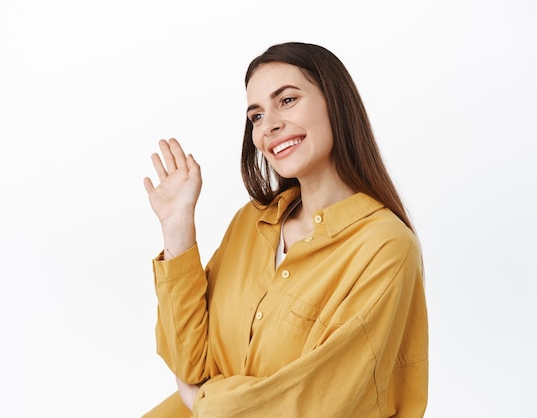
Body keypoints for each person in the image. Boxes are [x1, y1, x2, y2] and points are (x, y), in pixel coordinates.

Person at [142, 42, 428, 417]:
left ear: (335, 103)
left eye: (288, 100)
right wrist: (177, 227)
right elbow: (190, 363)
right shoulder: (253, 222)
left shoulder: (384, 247)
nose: (270, 125)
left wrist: (202, 401)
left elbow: (325, 401)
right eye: (256, 116)